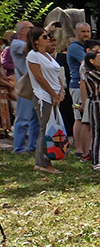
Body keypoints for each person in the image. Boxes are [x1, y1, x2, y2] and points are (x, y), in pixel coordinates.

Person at [27, 26, 64, 173]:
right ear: (36, 41)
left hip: (54, 96)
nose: (48, 38)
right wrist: (53, 94)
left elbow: (57, 74)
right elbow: (39, 77)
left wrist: (61, 90)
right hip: (43, 96)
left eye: (48, 35)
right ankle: (43, 164)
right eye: (44, 36)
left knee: (51, 129)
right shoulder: (33, 55)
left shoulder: (48, 55)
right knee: (45, 130)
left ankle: (42, 161)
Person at [10, 21, 39, 155]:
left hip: (36, 84)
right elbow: (28, 48)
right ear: (22, 31)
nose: (34, 31)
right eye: (31, 28)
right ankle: (19, 148)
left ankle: (33, 145)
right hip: (25, 85)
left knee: (36, 118)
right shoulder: (16, 43)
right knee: (23, 118)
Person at [67, 22, 93, 159]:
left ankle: (87, 147)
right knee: (79, 117)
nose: (86, 34)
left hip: (85, 85)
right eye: (83, 31)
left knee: (86, 118)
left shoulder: (84, 47)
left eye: (88, 31)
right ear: (76, 32)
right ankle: (79, 149)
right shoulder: (75, 48)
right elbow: (88, 62)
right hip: (78, 86)